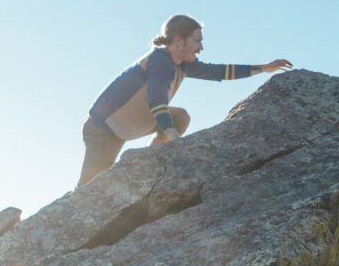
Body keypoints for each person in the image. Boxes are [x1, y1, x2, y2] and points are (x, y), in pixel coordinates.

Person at [78, 14, 292, 187]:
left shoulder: (182, 64)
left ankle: (149, 163)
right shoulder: (160, 61)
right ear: (178, 40)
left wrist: (262, 68)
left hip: (127, 125)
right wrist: (171, 133)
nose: (201, 48)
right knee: (88, 190)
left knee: (179, 117)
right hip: (103, 131)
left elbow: (218, 71)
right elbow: (157, 99)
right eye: (197, 41)